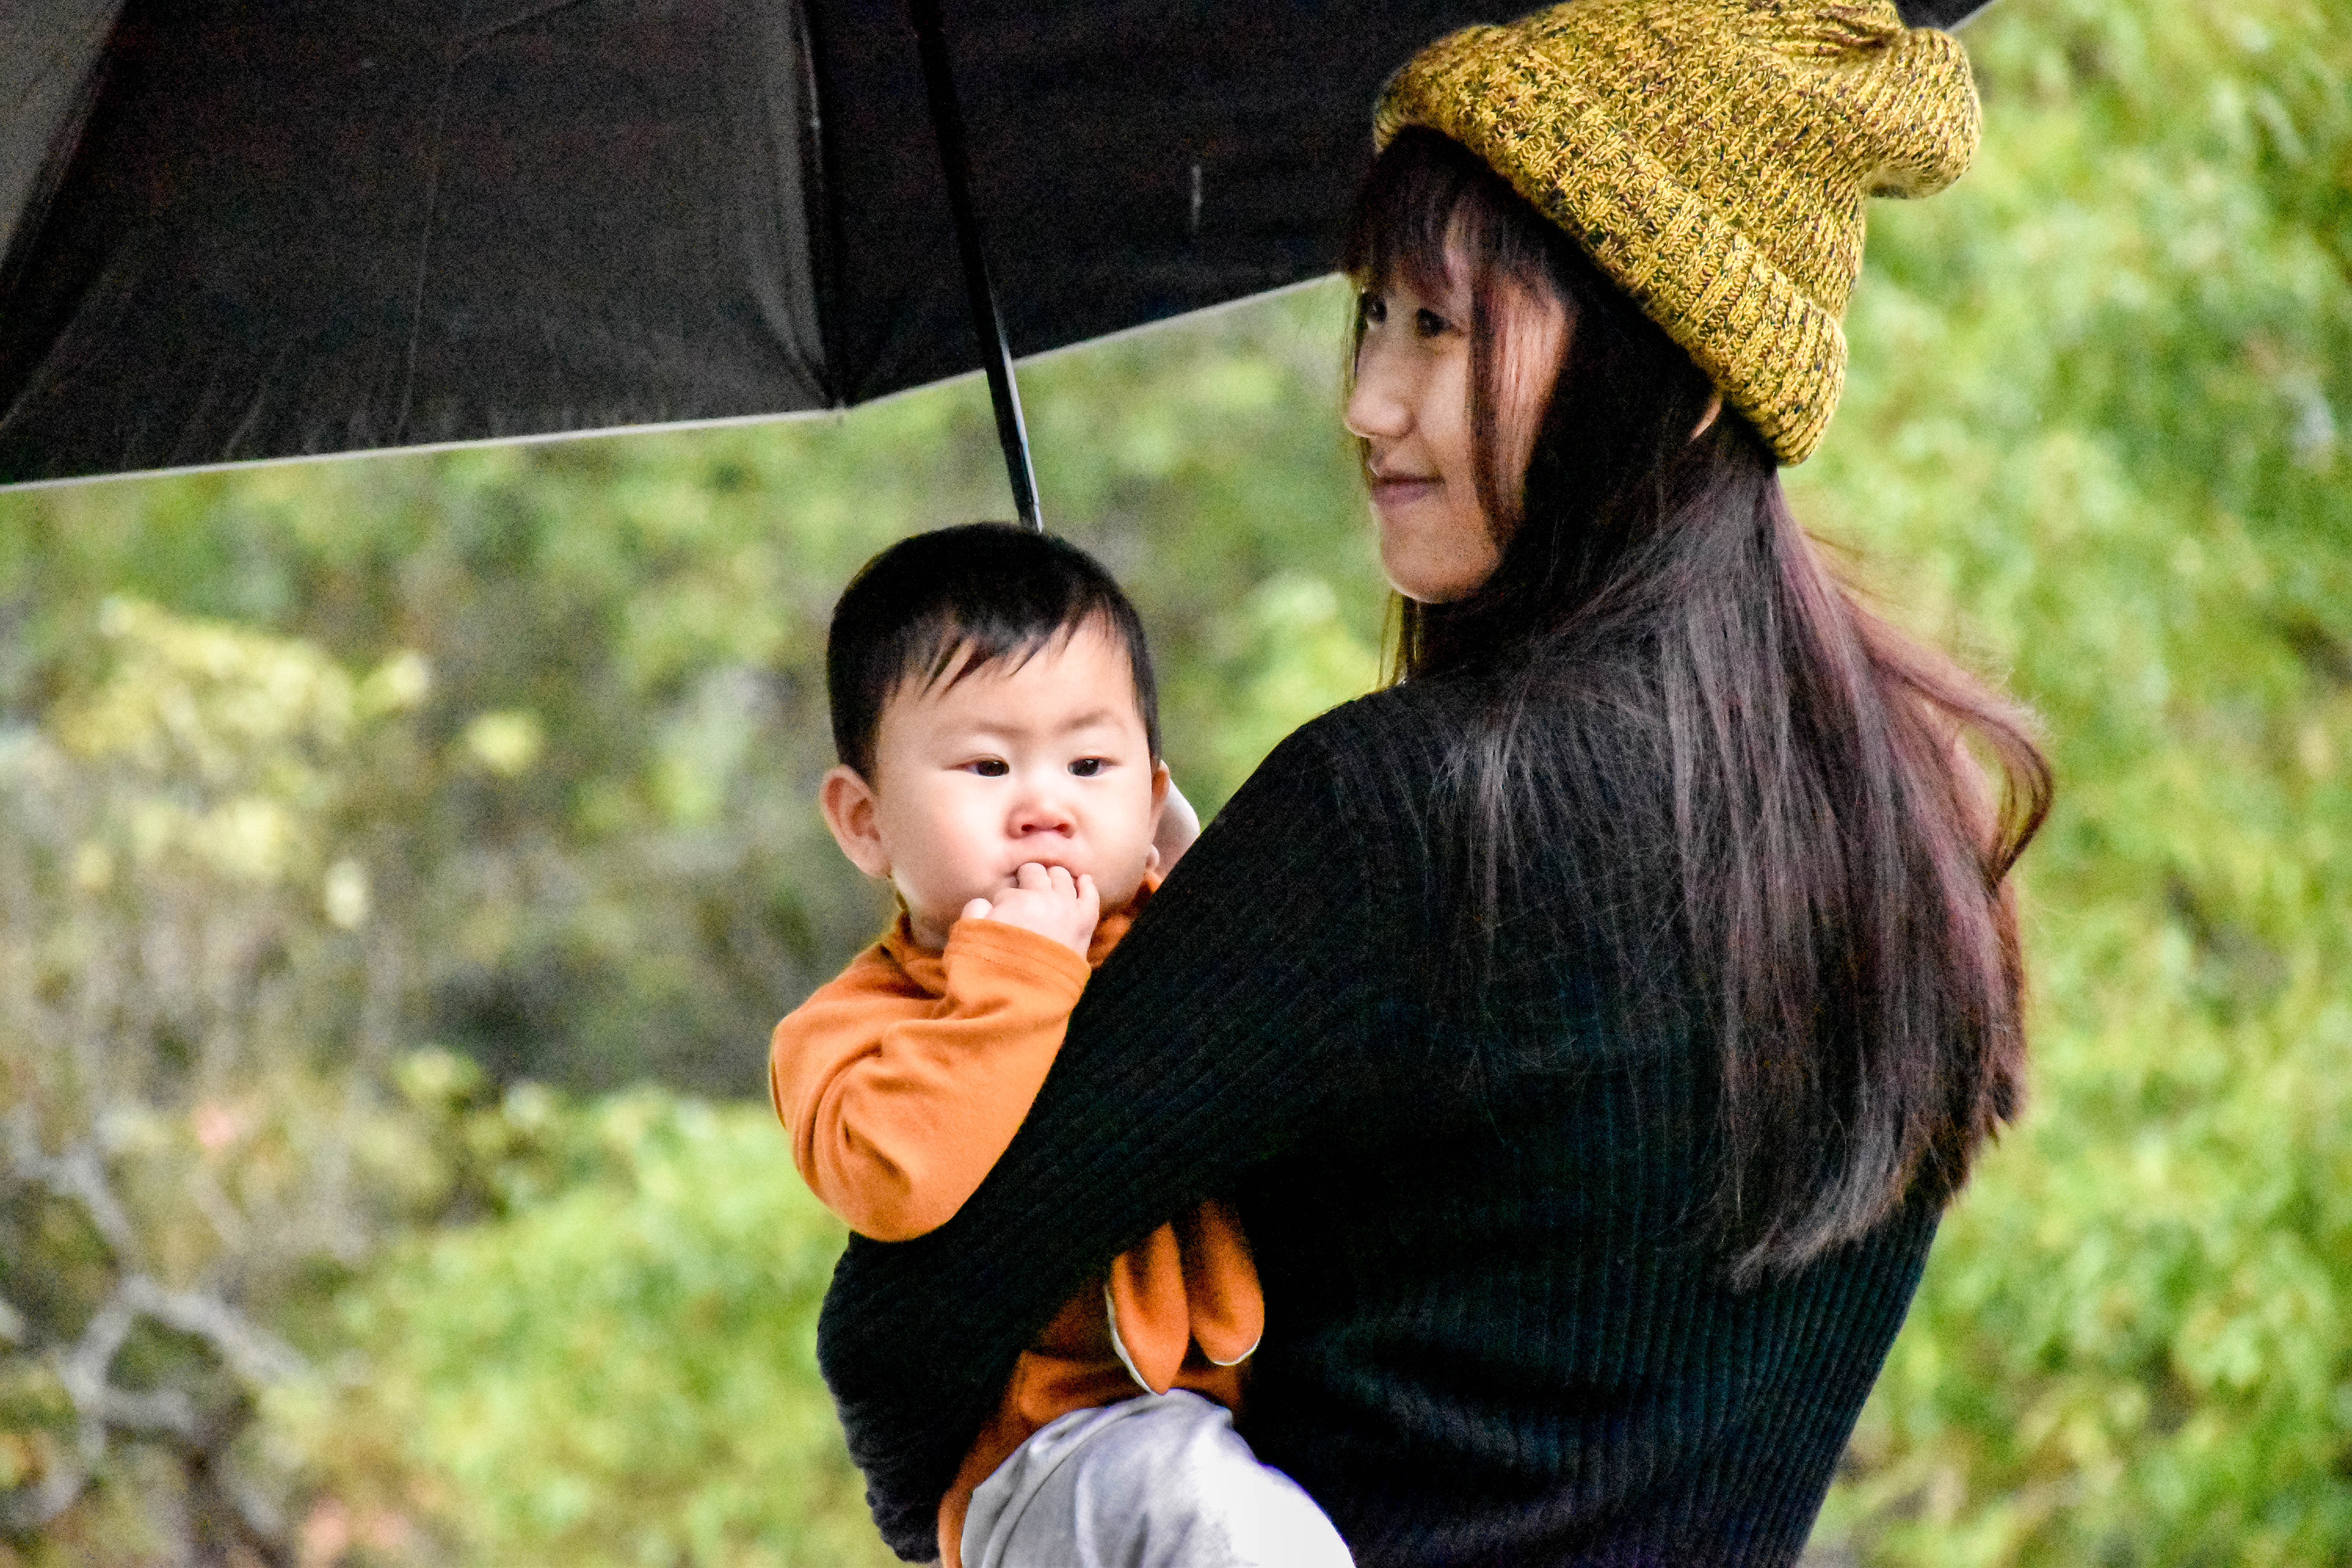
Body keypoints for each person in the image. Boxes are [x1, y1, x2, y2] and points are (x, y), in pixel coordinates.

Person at [815, 2, 2053, 1564]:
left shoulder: (1402, 818)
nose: (1369, 405)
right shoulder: (1915, 829)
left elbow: (900, 1328)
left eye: (1444, 329)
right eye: (1373, 319)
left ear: (1670, 370)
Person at [769, 522, 1354, 1568]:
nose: (1044, 804)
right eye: (988, 765)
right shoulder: (853, 1028)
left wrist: (1194, 861)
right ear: (864, 822)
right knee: (1216, 1522)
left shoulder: (1168, 940)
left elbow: (1288, 998)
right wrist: (1018, 973)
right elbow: (899, 1174)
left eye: (1090, 761)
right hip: (1057, 1460)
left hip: (1251, 1422)